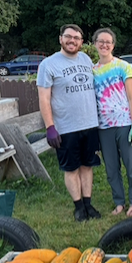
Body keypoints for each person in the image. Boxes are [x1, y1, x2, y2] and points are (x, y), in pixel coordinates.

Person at [37, 24, 101, 222]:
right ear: (61, 39)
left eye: (77, 38)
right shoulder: (48, 65)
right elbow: (44, 99)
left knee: (87, 165)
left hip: (90, 124)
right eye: (68, 37)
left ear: (81, 42)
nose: (72, 40)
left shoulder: (86, 59)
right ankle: (78, 206)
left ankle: (89, 204)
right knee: (71, 168)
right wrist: (50, 127)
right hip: (66, 127)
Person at [92, 28, 132, 217]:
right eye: (101, 41)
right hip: (104, 126)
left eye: (108, 42)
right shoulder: (93, 71)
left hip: (124, 123)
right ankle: (119, 202)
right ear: (95, 43)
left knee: (131, 165)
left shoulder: (123, 66)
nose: (104, 45)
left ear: (113, 45)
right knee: (112, 168)